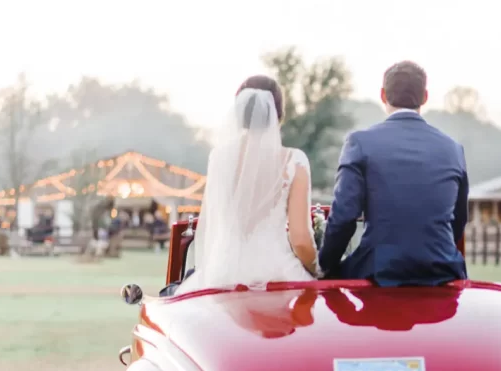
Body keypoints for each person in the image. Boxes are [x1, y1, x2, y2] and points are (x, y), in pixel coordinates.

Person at [317, 60, 469, 286]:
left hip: (379, 269)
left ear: (382, 95)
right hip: (443, 268)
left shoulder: (360, 142)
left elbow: (344, 217)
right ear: (425, 97)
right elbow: (458, 221)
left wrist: (325, 264)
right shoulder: (453, 149)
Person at [177, 75, 316, 293]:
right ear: (278, 113)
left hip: (223, 271)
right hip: (276, 272)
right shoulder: (294, 160)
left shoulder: (219, 158)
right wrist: (318, 270)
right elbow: (300, 239)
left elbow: (213, 220)